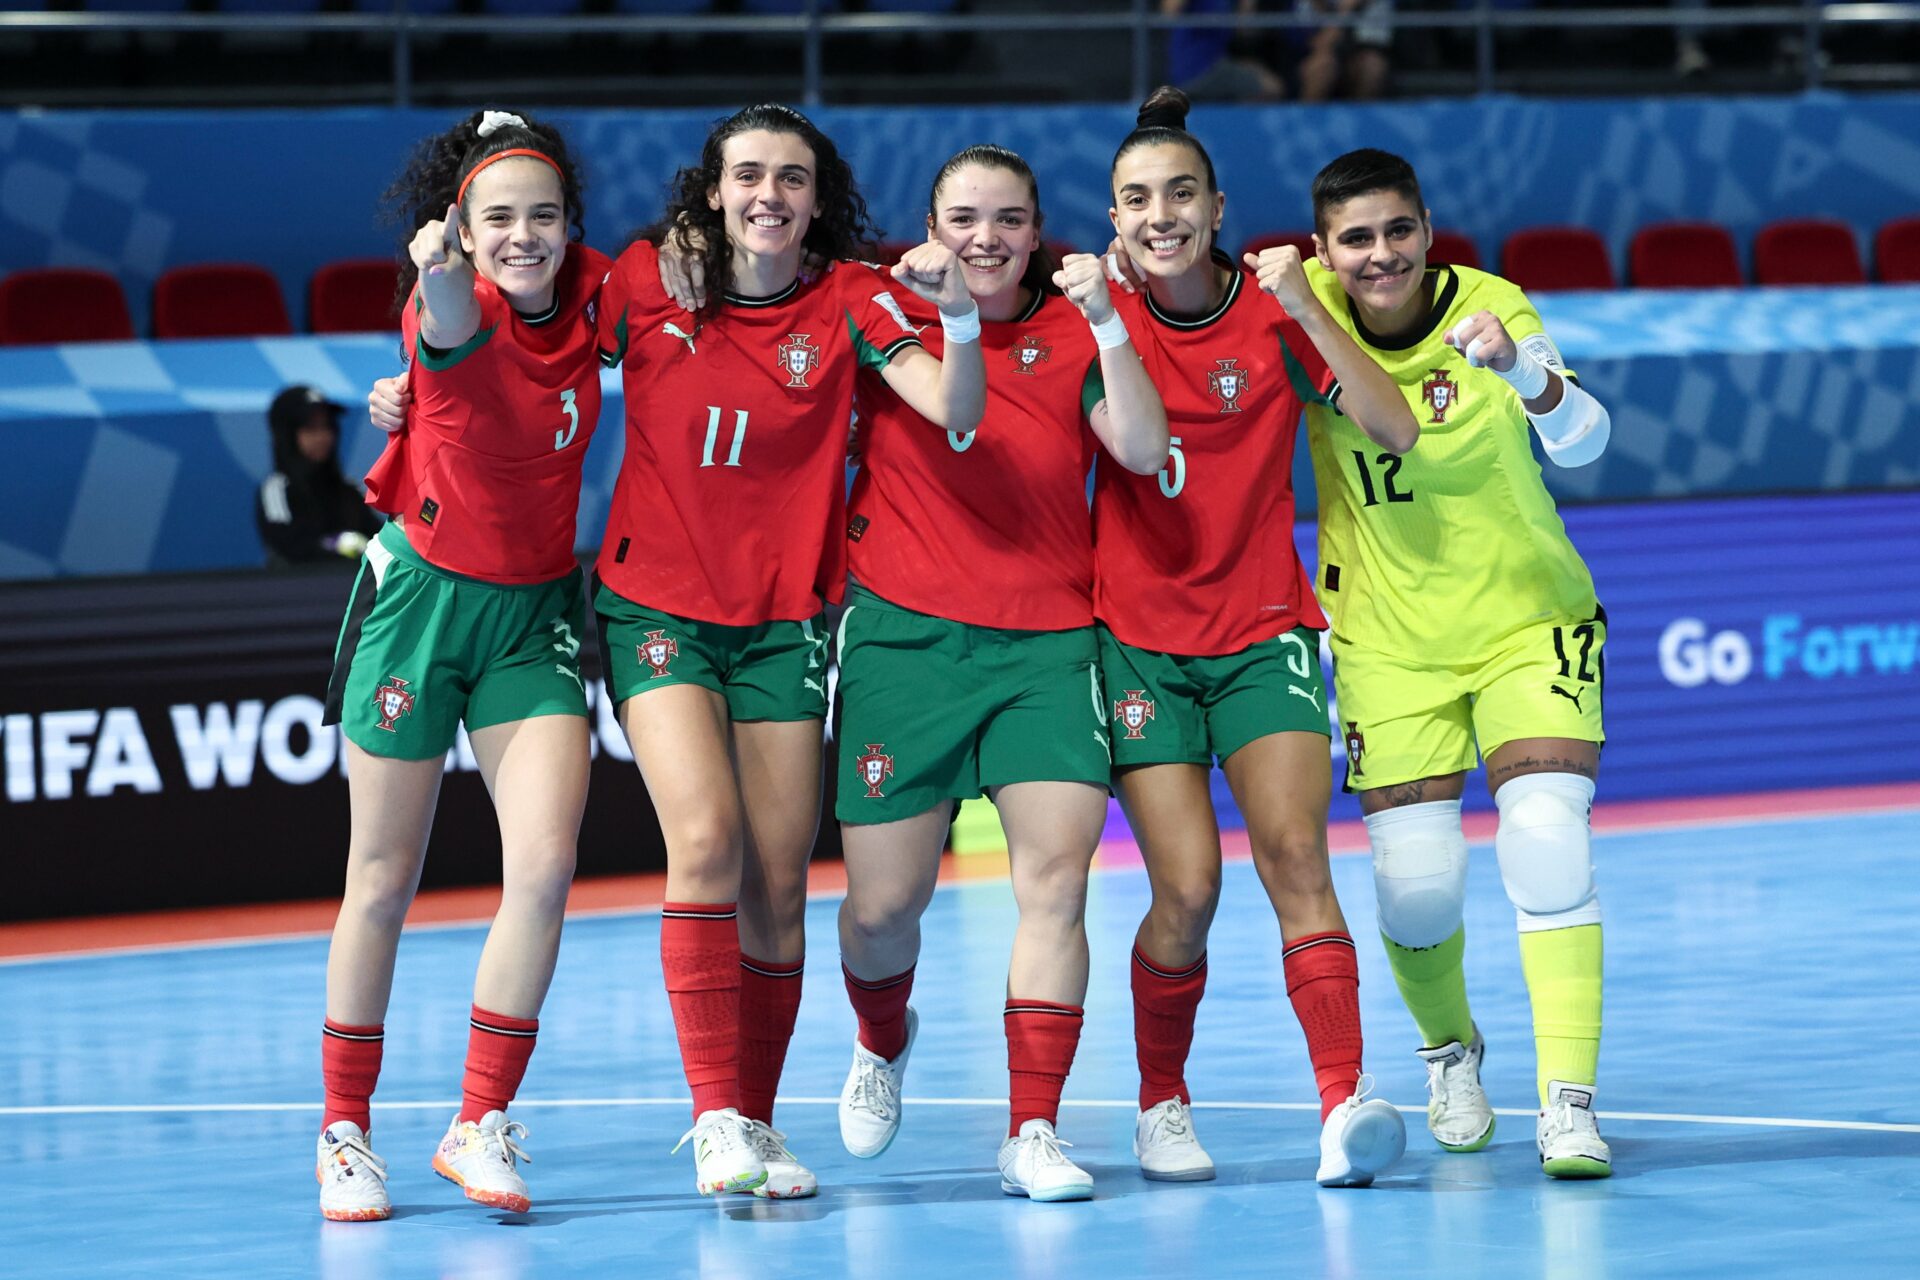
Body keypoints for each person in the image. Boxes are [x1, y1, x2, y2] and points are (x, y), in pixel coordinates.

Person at [594, 103, 986, 1199]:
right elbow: (527, 330)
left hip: (784, 622)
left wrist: (955, 316)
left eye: (793, 178)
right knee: (708, 840)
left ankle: (755, 1124)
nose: (770, 194)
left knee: (776, 880)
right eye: (749, 175)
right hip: (656, 608)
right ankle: (714, 1112)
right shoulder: (645, 281)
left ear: (820, 199)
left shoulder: (854, 298)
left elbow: (953, 408)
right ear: (710, 192)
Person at [810, 145, 1168, 1202]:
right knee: (883, 912)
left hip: (1049, 644)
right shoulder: (884, 311)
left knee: (1055, 888)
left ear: (1038, 226)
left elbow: (1143, 450)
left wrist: (1109, 320)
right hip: (904, 642)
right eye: (965, 217)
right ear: (929, 224)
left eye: (1010, 219)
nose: (987, 238)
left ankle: (1035, 1126)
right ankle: (883, 1037)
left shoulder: (1078, 326)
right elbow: (947, 410)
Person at [1096, 86, 1417, 1188]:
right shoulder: (1088, 312)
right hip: (1137, 639)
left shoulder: (1279, 307)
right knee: (1185, 887)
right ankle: (1159, 1102)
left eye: (1180, 192)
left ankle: (1344, 1103)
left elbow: (1395, 425)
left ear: (1219, 204)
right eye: (1137, 197)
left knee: (1295, 857)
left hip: (1264, 627)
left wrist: (1312, 306)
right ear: (1114, 217)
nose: (1161, 213)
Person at [314, 108, 609, 1223]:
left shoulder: (592, 302)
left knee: (543, 863)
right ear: (464, 229)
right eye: (499, 220)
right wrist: (439, 263)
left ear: (570, 225)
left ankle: (478, 1119)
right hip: (420, 609)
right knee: (382, 879)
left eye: (542, 216)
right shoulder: (453, 300)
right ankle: (345, 1130)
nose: (523, 235)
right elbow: (441, 317)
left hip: (534, 617)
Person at [1300, 147, 1615, 1178]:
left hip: (1528, 617)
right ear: (1324, 251)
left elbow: (1584, 440)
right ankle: (1451, 1053)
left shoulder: (1493, 304)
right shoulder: (1298, 305)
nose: (1380, 254)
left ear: (1427, 228)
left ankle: (1567, 1102)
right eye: (1356, 238)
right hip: (1388, 641)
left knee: (1545, 841)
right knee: (1418, 887)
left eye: (1398, 230)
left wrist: (1523, 372)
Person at [255, 384, 382, 568]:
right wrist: (338, 545)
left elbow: (379, 540)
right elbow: (290, 546)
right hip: (298, 593)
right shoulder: (276, 490)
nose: (322, 437)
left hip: (353, 592)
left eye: (326, 426)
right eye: (310, 428)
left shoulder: (349, 490)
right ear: (286, 434)